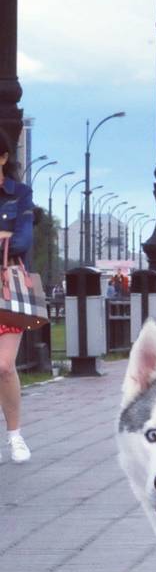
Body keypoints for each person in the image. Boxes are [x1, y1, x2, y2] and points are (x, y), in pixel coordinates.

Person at [0, 131, 34, 464]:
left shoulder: (20, 195)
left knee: (4, 366)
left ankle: (14, 436)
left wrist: (7, 237)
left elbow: (22, 241)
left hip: (9, 281)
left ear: (3, 158)